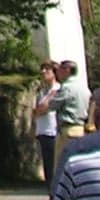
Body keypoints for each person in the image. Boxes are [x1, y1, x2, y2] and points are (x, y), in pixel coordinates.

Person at [53, 58, 90, 176]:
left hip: (68, 129)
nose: (57, 73)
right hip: (81, 129)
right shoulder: (84, 88)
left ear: (67, 70)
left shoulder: (66, 88)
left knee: (62, 167)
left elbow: (52, 104)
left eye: (59, 70)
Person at [32, 59, 60, 189]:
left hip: (53, 130)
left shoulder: (57, 89)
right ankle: (50, 187)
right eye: (42, 70)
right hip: (42, 130)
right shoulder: (42, 91)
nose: (43, 72)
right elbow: (36, 111)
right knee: (47, 162)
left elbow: (45, 108)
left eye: (47, 70)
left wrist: (44, 105)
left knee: (54, 161)